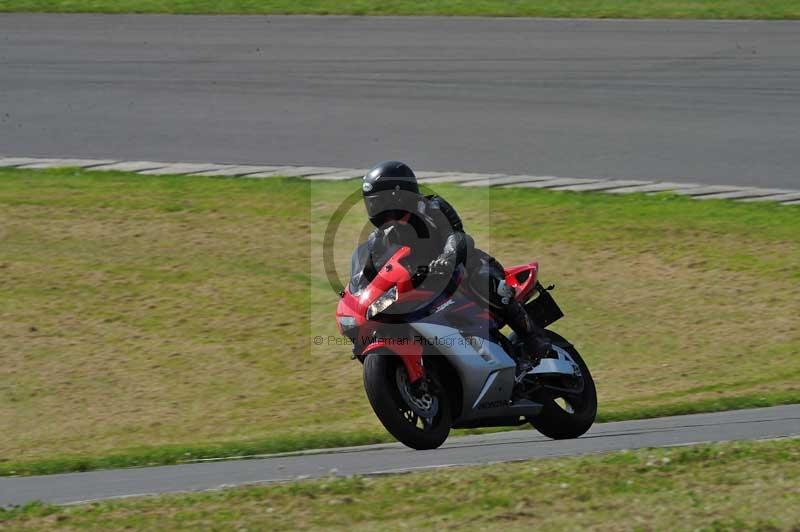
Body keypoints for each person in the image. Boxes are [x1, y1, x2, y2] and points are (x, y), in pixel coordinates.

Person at [357, 160, 552, 362]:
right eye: (371, 203)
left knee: (486, 281)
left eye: (379, 202)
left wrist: (446, 258)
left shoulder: (432, 208)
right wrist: (356, 294)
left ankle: (534, 337)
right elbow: (369, 273)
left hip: (459, 269)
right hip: (418, 286)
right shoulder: (379, 238)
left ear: (400, 196)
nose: (375, 209)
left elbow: (457, 236)